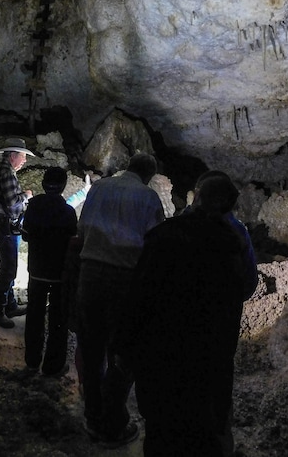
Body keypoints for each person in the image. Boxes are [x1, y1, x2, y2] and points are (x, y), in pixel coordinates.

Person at [119, 172, 255, 457]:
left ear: (197, 199)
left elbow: (139, 293)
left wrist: (125, 344)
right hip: (211, 354)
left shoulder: (164, 234)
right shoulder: (235, 240)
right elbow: (247, 286)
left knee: (161, 430)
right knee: (208, 431)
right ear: (229, 206)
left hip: (163, 352)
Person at [76, 153, 165, 448]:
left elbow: (82, 228)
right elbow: (154, 244)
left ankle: (92, 413)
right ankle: (112, 421)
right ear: (148, 175)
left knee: (91, 346)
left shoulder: (100, 187)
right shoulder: (149, 197)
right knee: (123, 351)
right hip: (125, 280)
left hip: (90, 273)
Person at [21, 167, 78, 376]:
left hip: (36, 270)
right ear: (63, 186)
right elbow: (73, 241)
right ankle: (53, 366)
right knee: (58, 320)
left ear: (44, 184)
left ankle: (32, 361)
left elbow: (25, 234)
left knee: (34, 316)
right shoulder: (68, 212)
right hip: (59, 274)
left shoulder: (34, 205)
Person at [0, 137, 34, 329]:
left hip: (4, 226)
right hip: (6, 227)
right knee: (8, 269)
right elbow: (12, 203)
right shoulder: (6, 173)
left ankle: (10, 306)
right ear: (13, 156)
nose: (25, 160)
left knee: (9, 267)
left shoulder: (3, 171)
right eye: (23, 156)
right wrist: (27, 196)